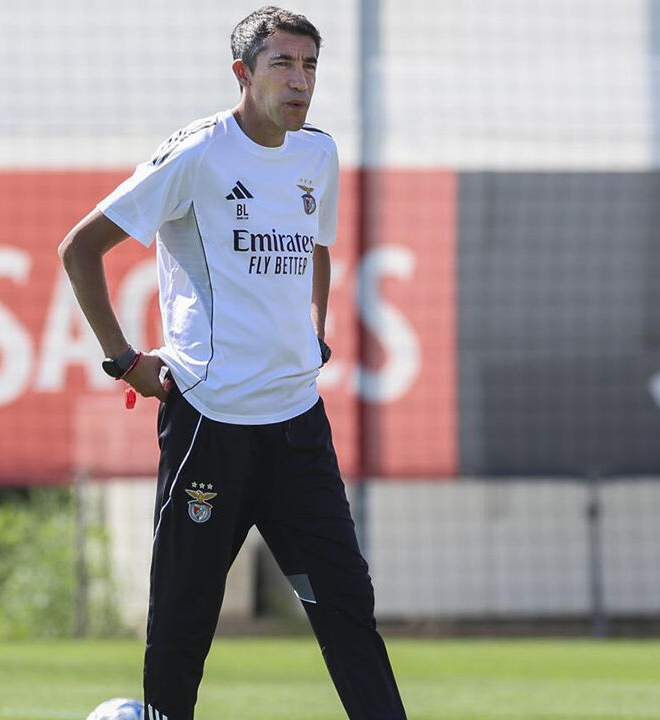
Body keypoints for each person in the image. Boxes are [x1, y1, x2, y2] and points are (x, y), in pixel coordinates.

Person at [59, 7, 407, 719]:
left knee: (346, 607)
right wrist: (123, 360)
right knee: (183, 622)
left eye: (310, 65)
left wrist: (315, 327)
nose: (300, 79)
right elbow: (79, 249)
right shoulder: (197, 154)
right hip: (208, 425)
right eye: (283, 63)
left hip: (298, 427)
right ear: (243, 74)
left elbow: (316, 246)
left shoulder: (318, 154)